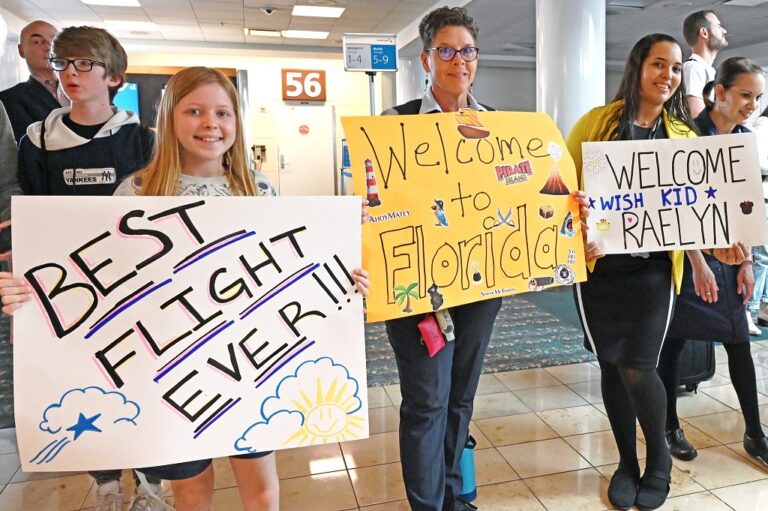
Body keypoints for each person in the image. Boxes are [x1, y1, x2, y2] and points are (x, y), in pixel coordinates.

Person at [1, 65, 370, 510]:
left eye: (223, 112)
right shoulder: (136, 193)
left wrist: (342, 279)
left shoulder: (260, 192)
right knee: (192, 494)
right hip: (171, 377)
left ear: (238, 121)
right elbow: (99, 286)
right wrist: (30, 299)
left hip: (249, 367)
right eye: (194, 111)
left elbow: (291, 273)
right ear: (170, 118)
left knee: (265, 492)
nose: (211, 124)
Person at [380, 7, 585, 511]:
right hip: (416, 293)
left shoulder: (501, 128)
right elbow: (375, 207)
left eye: (467, 51)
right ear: (427, 58)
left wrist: (565, 206)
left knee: (460, 397)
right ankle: (427, 504)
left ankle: (454, 494)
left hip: (480, 285)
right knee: (427, 400)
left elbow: (530, 195)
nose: (458, 61)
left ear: (477, 59)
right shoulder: (393, 126)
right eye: (446, 51)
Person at [14, 25, 161, 511]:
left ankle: (151, 483)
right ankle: (106, 484)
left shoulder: (140, 138)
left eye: (83, 64)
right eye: (62, 63)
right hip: (67, 288)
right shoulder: (39, 139)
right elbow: (28, 213)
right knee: (85, 382)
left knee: (140, 377)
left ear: (112, 75)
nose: (70, 74)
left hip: (133, 285)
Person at [567, 34, 698, 511]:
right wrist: (574, 206)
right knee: (609, 363)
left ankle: (659, 461)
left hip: (653, 273)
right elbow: (558, 186)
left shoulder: (683, 138)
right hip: (600, 270)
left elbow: (695, 210)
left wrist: (712, 255)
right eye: (659, 64)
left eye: (677, 68)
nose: (668, 75)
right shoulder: (597, 124)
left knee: (639, 368)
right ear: (638, 66)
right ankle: (626, 462)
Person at [658, 57, 767, 468]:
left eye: (757, 97)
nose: (752, 104)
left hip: (730, 257)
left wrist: (748, 263)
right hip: (688, 259)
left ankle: (755, 433)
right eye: (744, 94)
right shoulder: (687, 137)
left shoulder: (743, 140)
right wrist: (699, 262)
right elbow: (675, 207)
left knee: (739, 340)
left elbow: (747, 207)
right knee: (674, 343)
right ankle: (670, 427)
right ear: (718, 92)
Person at [0, 20, 69, 142]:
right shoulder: (8, 100)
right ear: (21, 50)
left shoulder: (84, 88)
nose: (49, 47)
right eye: (38, 42)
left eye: (54, 41)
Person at [682, 10, 728, 118]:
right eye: (718, 26)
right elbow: (696, 117)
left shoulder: (708, 70)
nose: (724, 31)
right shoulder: (693, 67)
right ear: (704, 32)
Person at [751, 105, 768, 326]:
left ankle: (763, 305)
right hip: (762, 197)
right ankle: (752, 308)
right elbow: (752, 159)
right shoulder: (762, 127)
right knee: (761, 256)